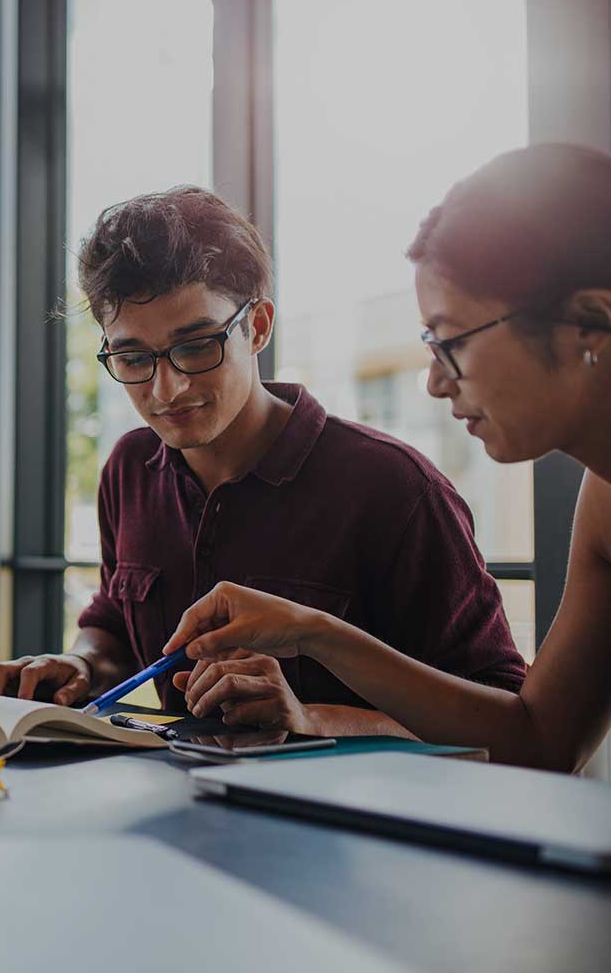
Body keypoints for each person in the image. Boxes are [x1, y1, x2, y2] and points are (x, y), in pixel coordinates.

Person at [0, 186, 525, 736]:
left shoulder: (396, 488)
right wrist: (83, 664)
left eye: (196, 346)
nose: (167, 389)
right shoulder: (129, 467)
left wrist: (314, 719)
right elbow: (114, 624)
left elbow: (503, 718)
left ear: (257, 326)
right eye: (132, 357)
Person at [164, 144, 611, 773]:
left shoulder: (398, 485)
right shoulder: (604, 497)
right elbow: (541, 740)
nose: (434, 382)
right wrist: (312, 632)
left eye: (452, 340)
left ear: (589, 322)